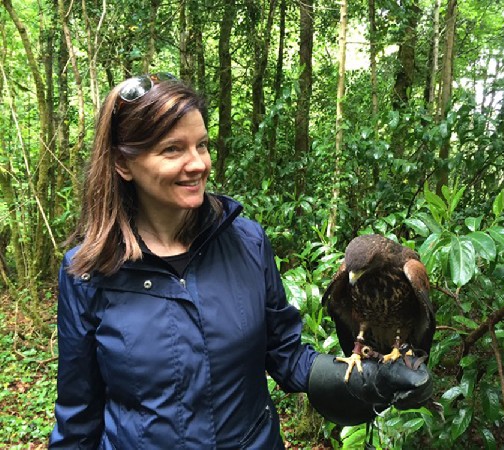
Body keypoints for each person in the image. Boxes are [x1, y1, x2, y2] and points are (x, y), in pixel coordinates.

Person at [49, 73, 433, 449]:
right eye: (173, 149)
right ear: (123, 164)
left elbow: (285, 355)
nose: (198, 163)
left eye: (202, 145)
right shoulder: (87, 273)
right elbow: (78, 416)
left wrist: (370, 381)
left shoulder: (246, 241)